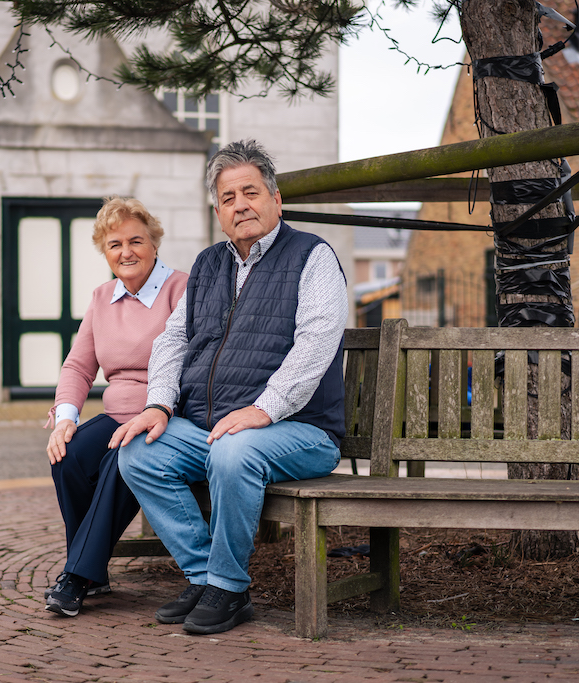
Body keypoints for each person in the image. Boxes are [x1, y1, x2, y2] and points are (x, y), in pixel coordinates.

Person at [112, 139, 348, 635]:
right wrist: (158, 404)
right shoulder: (208, 265)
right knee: (137, 452)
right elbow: (173, 341)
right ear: (218, 211)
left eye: (251, 192)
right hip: (214, 428)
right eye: (228, 198)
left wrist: (265, 408)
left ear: (275, 199)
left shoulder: (312, 256)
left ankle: (227, 585)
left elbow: (316, 341)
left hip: (300, 430)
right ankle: (209, 579)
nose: (240, 204)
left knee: (233, 452)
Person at [44, 196, 188, 617]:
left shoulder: (182, 289)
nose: (126, 252)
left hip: (166, 416)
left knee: (118, 460)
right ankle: (91, 569)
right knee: (66, 456)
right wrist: (65, 419)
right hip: (116, 412)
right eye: (114, 245)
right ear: (105, 253)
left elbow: (193, 364)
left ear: (154, 244)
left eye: (135, 241)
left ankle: (77, 576)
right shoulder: (102, 297)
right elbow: (77, 366)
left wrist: (161, 407)